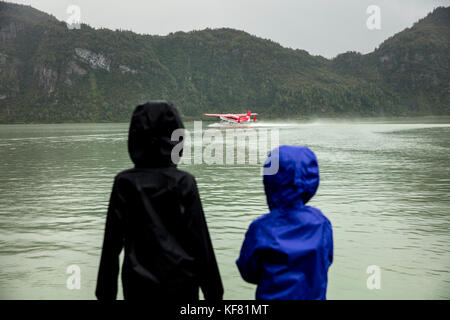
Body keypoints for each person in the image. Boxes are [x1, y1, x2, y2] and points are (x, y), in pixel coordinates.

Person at [96, 100, 223, 301]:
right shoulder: (184, 182)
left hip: (138, 288)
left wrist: (104, 294)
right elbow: (201, 245)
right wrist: (214, 293)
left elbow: (110, 248)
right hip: (183, 287)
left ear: (134, 137)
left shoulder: (124, 183)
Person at [236, 145, 333, 300]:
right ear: (312, 181)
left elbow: (248, 272)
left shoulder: (261, 228)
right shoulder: (321, 223)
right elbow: (326, 261)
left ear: (269, 180)